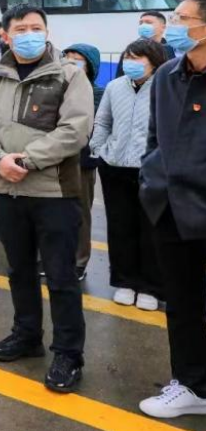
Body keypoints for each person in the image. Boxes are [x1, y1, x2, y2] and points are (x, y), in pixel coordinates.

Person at [0, 4, 94, 394]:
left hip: (53, 192)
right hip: (6, 189)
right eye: (21, 29)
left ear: (47, 31)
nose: (30, 34)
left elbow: (75, 131)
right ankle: (27, 334)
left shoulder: (69, 75)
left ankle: (68, 353)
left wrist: (25, 160)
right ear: (6, 35)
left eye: (36, 27)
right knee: (19, 270)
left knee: (60, 276)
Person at [138, 0, 206, 419]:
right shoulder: (166, 74)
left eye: (183, 18)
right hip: (169, 208)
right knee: (181, 303)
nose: (173, 25)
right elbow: (154, 135)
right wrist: (152, 179)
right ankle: (190, 384)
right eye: (174, 17)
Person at [91, 39, 167, 310]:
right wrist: (100, 148)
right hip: (114, 167)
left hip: (152, 170)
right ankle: (124, 282)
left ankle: (150, 287)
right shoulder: (115, 86)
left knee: (151, 230)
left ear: (154, 62)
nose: (130, 63)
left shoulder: (165, 87)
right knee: (120, 227)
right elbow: (103, 121)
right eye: (128, 57)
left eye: (138, 58)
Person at [61, 43, 103, 281]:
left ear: (90, 65)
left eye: (77, 58)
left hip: (82, 161)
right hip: (55, 159)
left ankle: (79, 261)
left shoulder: (97, 93)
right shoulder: (57, 87)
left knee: (80, 213)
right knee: (55, 213)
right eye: (67, 57)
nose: (71, 61)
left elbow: (97, 128)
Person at [115, 11, 177, 77]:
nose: (143, 26)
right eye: (141, 23)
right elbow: (120, 77)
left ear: (163, 27)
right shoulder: (129, 51)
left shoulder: (172, 50)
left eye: (148, 22)